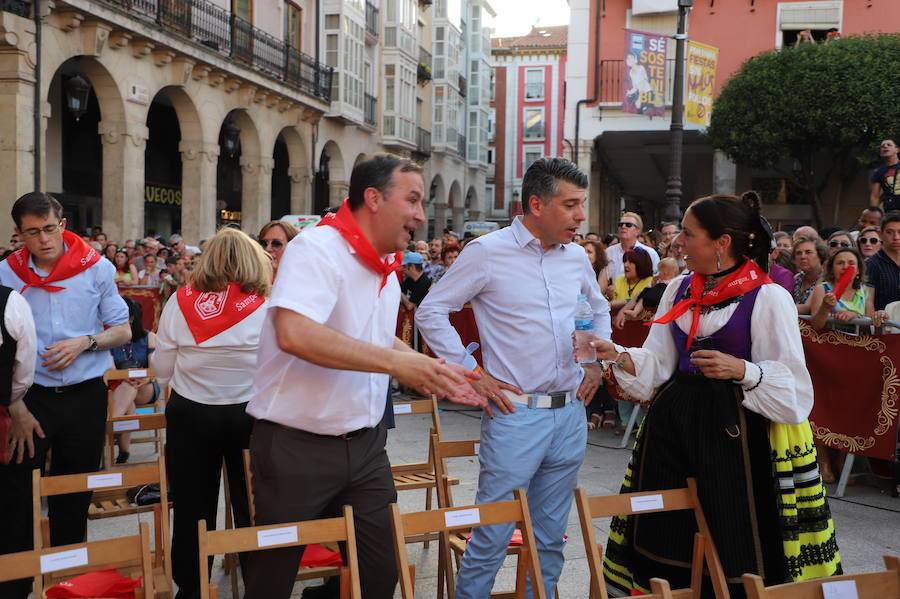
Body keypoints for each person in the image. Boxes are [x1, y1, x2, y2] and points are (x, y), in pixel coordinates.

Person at [243, 154, 484, 599]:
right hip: (296, 446)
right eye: (411, 199)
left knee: (379, 574)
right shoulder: (316, 249)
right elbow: (294, 333)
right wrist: (399, 364)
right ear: (373, 198)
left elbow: (372, 338)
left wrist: (426, 366)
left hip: (367, 446)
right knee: (271, 581)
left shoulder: (386, 265)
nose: (420, 213)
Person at [589, 192, 841, 598]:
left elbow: (793, 384)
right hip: (673, 429)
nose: (679, 243)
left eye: (688, 235)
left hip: (738, 436)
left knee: (733, 536)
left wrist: (742, 369)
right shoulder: (677, 289)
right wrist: (618, 355)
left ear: (722, 242)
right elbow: (658, 361)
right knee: (664, 529)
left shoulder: (768, 296)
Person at [417, 157, 611, 598]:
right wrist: (473, 375)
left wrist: (597, 361)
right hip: (515, 414)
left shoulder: (577, 256)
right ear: (537, 204)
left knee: (550, 541)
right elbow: (431, 310)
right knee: (491, 536)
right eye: (571, 204)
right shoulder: (487, 251)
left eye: (582, 204)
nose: (581, 216)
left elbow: (598, 307)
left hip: (569, 414)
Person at [0, 192, 130, 599]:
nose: (44, 239)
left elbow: (123, 330)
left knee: (74, 492)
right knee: (17, 493)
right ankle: (15, 587)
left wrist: (85, 343)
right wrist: (13, 403)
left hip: (84, 394)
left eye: (50, 229)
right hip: (28, 399)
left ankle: (69, 586)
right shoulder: (6, 275)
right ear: (18, 234)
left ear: (63, 223)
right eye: (33, 232)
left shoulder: (96, 269)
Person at [152, 227, 271, 599]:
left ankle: (191, 586)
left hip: (191, 414)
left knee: (191, 503)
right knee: (252, 502)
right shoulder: (266, 306)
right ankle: (258, 581)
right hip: (248, 413)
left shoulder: (180, 301)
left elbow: (162, 371)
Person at [108, 297, 158, 464]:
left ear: (131, 319)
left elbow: (154, 368)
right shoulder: (111, 339)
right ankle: (124, 452)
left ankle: (110, 424)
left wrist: (142, 378)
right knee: (129, 401)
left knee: (128, 388)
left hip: (146, 385)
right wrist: (127, 378)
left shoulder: (148, 336)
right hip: (121, 386)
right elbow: (111, 370)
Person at [606, 212, 659, 281]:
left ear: (638, 231)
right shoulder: (608, 252)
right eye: (620, 224)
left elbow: (655, 278)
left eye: (628, 225)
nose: (623, 227)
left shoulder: (650, 253)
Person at [865, 210, 900, 311]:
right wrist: (873, 325)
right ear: (880, 234)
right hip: (883, 324)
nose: (896, 237)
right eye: (889, 232)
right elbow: (868, 301)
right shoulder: (871, 264)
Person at [792, 234, 826, 314]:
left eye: (808, 252)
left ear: (820, 255)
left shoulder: (826, 277)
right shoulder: (797, 278)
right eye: (798, 253)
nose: (803, 256)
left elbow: (807, 307)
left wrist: (779, 308)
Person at [869, 139, 900, 212]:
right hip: (891, 212)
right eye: (882, 146)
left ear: (897, 150)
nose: (885, 146)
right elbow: (875, 196)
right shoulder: (878, 172)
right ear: (881, 153)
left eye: (889, 145)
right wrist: (873, 212)